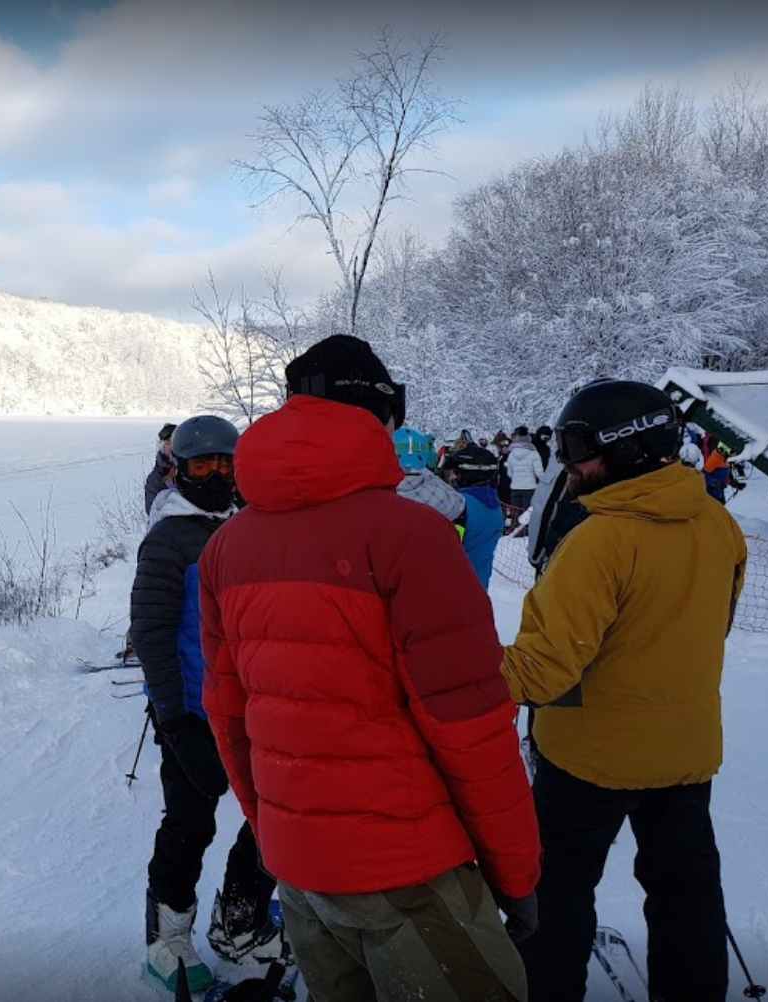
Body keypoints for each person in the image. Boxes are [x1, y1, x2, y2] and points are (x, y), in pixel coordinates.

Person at [199, 334, 540, 1002]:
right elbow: (471, 724)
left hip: (301, 877)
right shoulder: (411, 535)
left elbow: (229, 716)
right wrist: (517, 874)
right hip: (409, 873)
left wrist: (277, 832)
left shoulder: (227, 547)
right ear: (380, 412)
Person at [500, 379, 747, 1002]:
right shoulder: (719, 524)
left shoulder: (599, 541)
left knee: (554, 889)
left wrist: (465, 672)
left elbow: (541, 672)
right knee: (685, 890)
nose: (571, 466)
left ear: (626, 449)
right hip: (685, 753)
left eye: (580, 448)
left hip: (589, 758)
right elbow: (715, 625)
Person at [131, 415, 283, 993]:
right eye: (203, 465)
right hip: (193, 714)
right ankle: (166, 936)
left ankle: (240, 920)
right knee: (189, 826)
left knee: (271, 817)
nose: (217, 475)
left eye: (227, 464)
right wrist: (172, 720)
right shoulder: (169, 537)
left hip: (253, 709)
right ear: (180, 469)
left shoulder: (248, 526)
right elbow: (150, 632)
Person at [442, 442, 504, 588]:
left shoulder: (459, 507)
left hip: (454, 586)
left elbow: (447, 548)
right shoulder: (494, 506)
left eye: (454, 472)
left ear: (465, 475)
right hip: (479, 585)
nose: (451, 477)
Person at [504, 427, 546, 520]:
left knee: (515, 513)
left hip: (515, 487)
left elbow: (509, 473)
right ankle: (526, 532)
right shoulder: (534, 453)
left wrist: (516, 479)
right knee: (527, 514)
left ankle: (515, 530)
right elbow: (539, 472)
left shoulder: (511, 454)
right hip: (530, 487)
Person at [144, 422, 178, 515]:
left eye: (175, 443)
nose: (171, 447)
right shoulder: (156, 478)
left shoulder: (191, 470)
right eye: (168, 443)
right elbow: (153, 511)